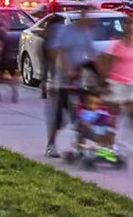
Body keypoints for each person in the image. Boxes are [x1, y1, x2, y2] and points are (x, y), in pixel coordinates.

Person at [46, 13, 101, 158]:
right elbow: (61, 53)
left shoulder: (86, 33)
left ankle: (80, 146)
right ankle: (51, 145)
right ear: (83, 17)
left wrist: (98, 74)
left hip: (78, 79)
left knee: (82, 115)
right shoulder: (67, 31)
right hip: (63, 81)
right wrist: (67, 70)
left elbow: (91, 54)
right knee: (60, 116)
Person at [100, 15, 133, 160]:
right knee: (114, 115)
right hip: (117, 82)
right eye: (126, 24)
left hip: (132, 83)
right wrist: (105, 81)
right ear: (122, 27)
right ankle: (112, 145)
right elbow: (107, 62)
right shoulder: (116, 44)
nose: (129, 27)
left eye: (131, 24)